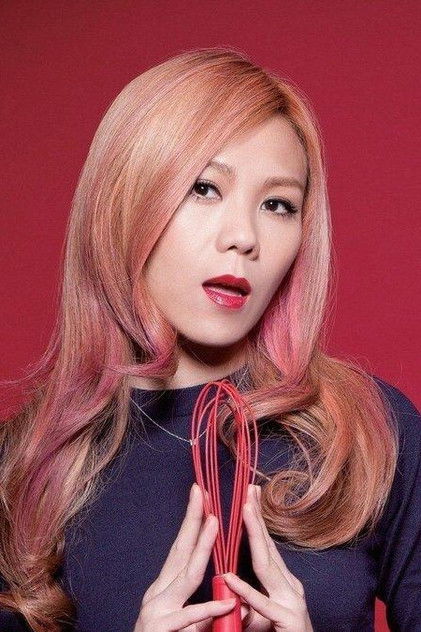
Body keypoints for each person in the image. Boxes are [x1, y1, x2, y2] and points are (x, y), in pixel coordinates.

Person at [0, 46, 419, 632]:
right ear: (124, 203)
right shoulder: (24, 466)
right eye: (203, 188)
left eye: (278, 204)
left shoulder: (373, 431)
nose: (244, 236)